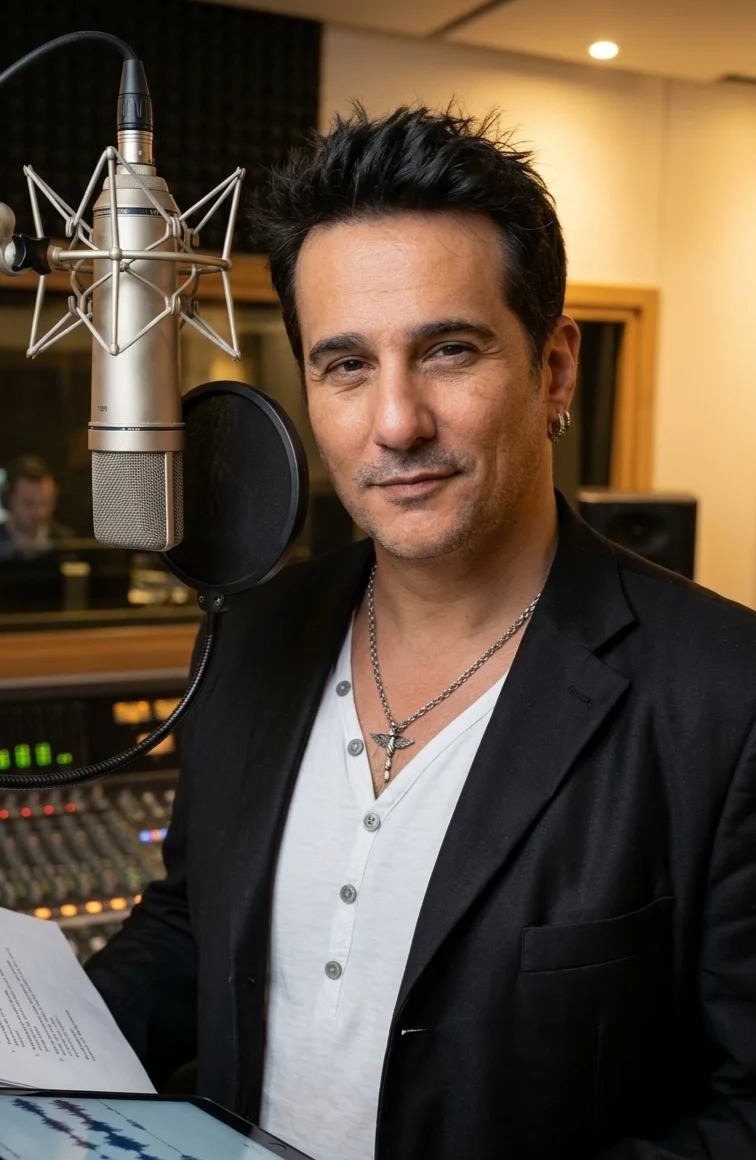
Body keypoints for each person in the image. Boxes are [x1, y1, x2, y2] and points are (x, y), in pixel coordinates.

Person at [86, 107, 756, 1159]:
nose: (396, 423)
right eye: (346, 365)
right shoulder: (252, 636)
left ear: (554, 370)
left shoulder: (726, 693)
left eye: (448, 350)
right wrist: (40, 1039)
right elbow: (188, 926)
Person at [0, 454, 72, 558]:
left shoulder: (68, 543)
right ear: (7, 500)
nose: (39, 512)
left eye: (45, 503)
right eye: (29, 503)